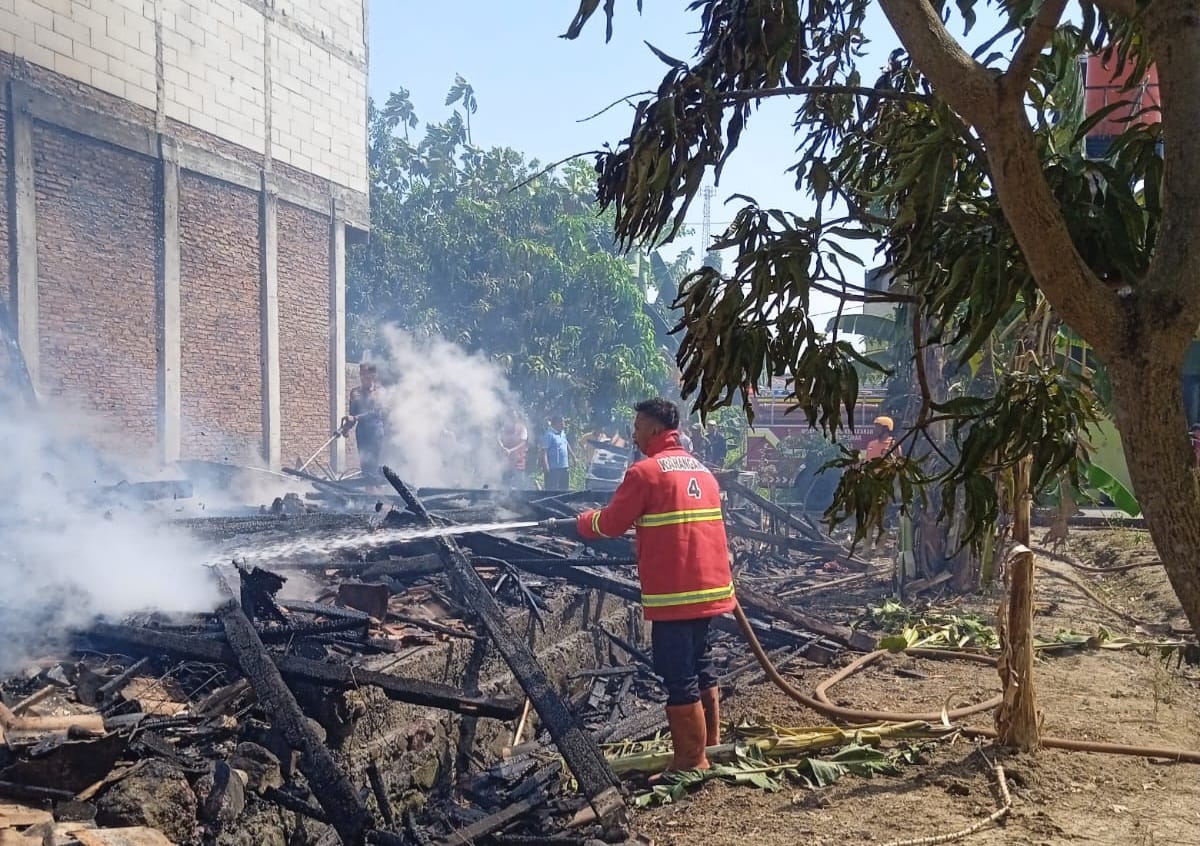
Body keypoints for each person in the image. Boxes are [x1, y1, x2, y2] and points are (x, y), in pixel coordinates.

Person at [575, 398, 735, 777]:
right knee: (702, 668)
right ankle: (711, 745)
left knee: (678, 676)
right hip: (710, 591)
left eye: (637, 426)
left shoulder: (644, 473)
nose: (633, 433)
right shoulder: (702, 471)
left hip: (676, 596)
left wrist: (582, 524)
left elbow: (612, 523)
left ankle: (691, 762)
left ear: (653, 429)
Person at [346, 363, 386, 480]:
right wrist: (346, 428)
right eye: (361, 374)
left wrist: (355, 418)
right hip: (362, 433)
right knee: (365, 468)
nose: (362, 377)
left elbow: (375, 412)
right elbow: (352, 414)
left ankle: (379, 495)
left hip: (376, 432)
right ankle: (370, 496)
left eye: (366, 374)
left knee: (375, 468)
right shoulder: (355, 393)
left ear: (373, 375)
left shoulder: (379, 392)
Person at [498, 411, 529, 488]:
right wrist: (502, 447)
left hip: (519, 461)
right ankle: (504, 498)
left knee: (519, 483)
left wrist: (510, 450)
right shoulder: (504, 429)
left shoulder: (522, 429)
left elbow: (523, 443)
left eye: (514, 418)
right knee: (505, 484)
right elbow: (498, 438)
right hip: (506, 462)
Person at [541, 415, 572, 490]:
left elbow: (566, 443)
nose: (564, 425)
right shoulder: (549, 435)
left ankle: (564, 502)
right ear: (556, 424)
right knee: (551, 490)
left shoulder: (563, 433)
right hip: (553, 468)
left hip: (564, 467)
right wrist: (546, 466)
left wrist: (573, 457)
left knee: (564, 489)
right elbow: (544, 452)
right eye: (562, 423)